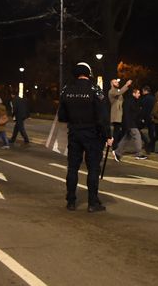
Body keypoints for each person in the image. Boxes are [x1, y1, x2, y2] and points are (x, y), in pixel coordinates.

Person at [59, 62, 113, 213]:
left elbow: (62, 116)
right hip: (92, 134)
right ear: (88, 73)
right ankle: (92, 202)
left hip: (74, 133)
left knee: (73, 168)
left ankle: (70, 201)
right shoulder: (95, 89)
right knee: (93, 168)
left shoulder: (66, 90)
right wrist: (108, 135)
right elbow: (103, 116)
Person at [113, 87, 148, 161]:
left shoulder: (134, 101)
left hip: (131, 123)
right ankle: (139, 154)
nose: (139, 94)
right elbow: (127, 114)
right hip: (130, 123)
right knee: (137, 136)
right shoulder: (129, 101)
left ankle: (117, 152)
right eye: (138, 93)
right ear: (133, 93)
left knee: (126, 138)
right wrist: (128, 124)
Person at [108, 78, 132, 149]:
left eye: (117, 82)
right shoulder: (111, 91)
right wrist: (126, 85)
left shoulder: (117, 91)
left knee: (122, 130)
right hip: (116, 114)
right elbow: (119, 93)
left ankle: (116, 143)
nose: (117, 83)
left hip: (120, 113)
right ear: (112, 84)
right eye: (115, 82)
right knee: (117, 130)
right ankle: (115, 146)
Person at [140, 86, 156, 153]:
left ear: (145, 91)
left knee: (137, 129)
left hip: (146, 117)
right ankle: (152, 147)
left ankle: (147, 143)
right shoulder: (153, 98)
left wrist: (142, 117)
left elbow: (143, 109)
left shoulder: (145, 99)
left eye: (143, 91)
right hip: (152, 117)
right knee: (151, 133)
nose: (142, 92)